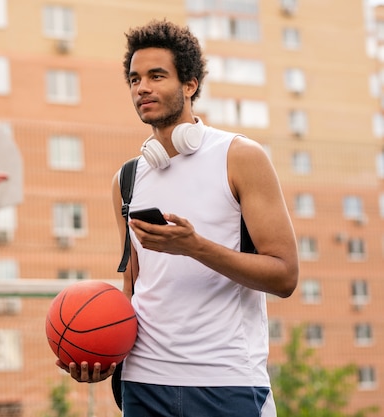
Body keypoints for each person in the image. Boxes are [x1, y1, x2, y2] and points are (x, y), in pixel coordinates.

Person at [55, 19, 299, 417]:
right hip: (144, 381)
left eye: (156, 75)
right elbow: (134, 286)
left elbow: (285, 276)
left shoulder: (240, 157)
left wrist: (195, 247)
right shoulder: (128, 179)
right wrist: (101, 351)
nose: (142, 88)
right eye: (134, 79)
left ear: (190, 84)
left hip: (227, 380)